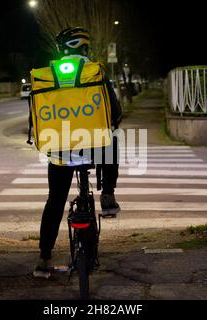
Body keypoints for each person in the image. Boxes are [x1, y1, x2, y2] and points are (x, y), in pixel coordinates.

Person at [31, 27, 123, 278]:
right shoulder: (95, 72)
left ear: (60, 50)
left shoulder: (48, 76)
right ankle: (108, 195)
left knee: (54, 201)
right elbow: (114, 114)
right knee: (113, 136)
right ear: (85, 49)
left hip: (59, 153)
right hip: (95, 149)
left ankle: (44, 259)